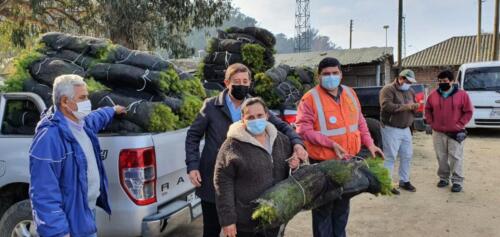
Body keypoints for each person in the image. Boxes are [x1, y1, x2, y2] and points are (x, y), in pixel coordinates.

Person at [185, 63, 308, 237]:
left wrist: (297, 143)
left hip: (243, 181)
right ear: (227, 82)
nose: (241, 85)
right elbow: (193, 135)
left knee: (241, 228)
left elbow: (283, 127)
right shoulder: (211, 106)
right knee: (212, 228)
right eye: (236, 81)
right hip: (216, 179)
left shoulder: (255, 108)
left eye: (245, 81)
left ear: (250, 82)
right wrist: (192, 165)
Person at [295, 57, 383, 237]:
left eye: (335, 73)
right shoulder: (310, 98)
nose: (331, 77)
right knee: (323, 209)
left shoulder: (350, 93)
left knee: (342, 206)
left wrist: (370, 144)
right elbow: (303, 130)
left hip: (347, 162)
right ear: (319, 76)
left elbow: (360, 122)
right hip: (322, 164)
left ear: (341, 74)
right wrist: (330, 144)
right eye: (326, 74)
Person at [29, 74, 126, 237]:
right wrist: (58, 233)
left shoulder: (82, 124)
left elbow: (97, 117)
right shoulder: (49, 139)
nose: (88, 102)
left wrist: (112, 110)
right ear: (65, 102)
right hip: (69, 223)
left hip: (86, 213)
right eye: (83, 98)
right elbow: (43, 195)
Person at [214, 97, 300, 237]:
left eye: (259, 115)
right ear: (243, 119)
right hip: (246, 222)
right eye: (250, 117)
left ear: (267, 115)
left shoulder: (281, 140)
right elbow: (222, 184)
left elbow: (291, 172)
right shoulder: (232, 146)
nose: (256, 120)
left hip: (275, 216)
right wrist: (228, 220)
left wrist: (295, 166)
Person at [425, 70, 473, 192]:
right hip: (438, 132)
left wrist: (460, 124)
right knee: (441, 156)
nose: (442, 83)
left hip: (455, 132)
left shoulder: (462, 95)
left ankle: (457, 181)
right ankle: (443, 178)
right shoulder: (433, 95)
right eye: (440, 81)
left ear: (452, 81)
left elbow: (468, 111)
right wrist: (431, 122)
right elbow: (428, 109)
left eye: (445, 81)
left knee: (455, 156)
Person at [379, 69, 420, 195]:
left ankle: (404, 180)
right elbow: (386, 106)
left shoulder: (410, 90)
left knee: (407, 155)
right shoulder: (388, 89)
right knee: (390, 156)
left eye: (410, 82)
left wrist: (415, 107)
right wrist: (406, 107)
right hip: (391, 128)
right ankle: (386, 183)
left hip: (406, 128)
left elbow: (412, 106)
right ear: (400, 78)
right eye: (407, 81)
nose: (409, 84)